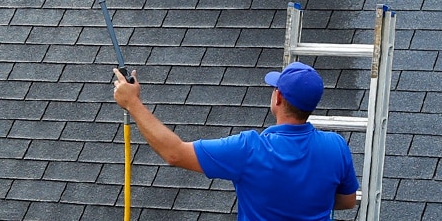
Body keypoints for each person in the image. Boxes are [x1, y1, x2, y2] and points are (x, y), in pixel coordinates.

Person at [111, 62, 359, 220]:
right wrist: (305, 198)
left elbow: (174, 153)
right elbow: (347, 201)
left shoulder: (250, 149)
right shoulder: (336, 146)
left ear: (279, 98)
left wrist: (132, 103)